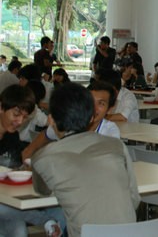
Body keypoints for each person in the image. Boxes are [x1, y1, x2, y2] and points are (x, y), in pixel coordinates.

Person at [32, 83, 140, 237]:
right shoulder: (116, 146)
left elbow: (42, 192)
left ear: (51, 119)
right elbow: (134, 198)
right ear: (91, 117)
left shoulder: (42, 158)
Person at [0, 84, 65, 237]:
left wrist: (24, 170)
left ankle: (48, 221)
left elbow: (13, 169)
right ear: (1, 107)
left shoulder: (12, 136)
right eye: (16, 114)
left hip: (7, 201)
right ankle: (46, 221)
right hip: (4, 205)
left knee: (20, 228)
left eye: (25, 117)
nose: (19, 121)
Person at [22, 81, 121, 161]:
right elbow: (45, 135)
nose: (94, 108)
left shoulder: (110, 132)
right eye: (91, 101)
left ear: (109, 109)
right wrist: (28, 152)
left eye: (101, 103)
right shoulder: (70, 121)